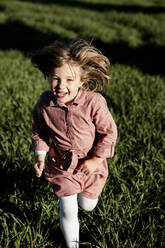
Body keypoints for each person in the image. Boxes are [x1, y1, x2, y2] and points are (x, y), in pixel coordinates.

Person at [31, 39, 117, 248]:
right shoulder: (45, 103)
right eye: (56, 79)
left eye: (69, 80)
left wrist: (97, 159)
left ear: (82, 81)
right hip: (61, 164)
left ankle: (85, 193)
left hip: (90, 166)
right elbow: (39, 132)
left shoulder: (94, 102)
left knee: (87, 205)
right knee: (68, 209)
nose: (61, 86)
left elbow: (109, 132)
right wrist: (40, 157)